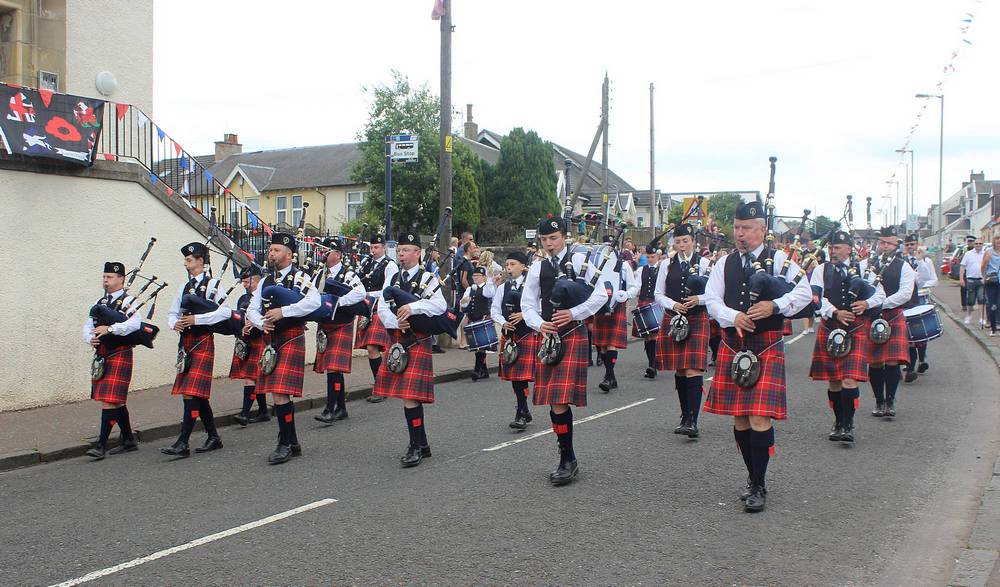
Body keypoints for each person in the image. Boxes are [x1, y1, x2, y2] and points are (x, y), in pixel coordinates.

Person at [703, 201, 811, 512]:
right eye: (737, 227)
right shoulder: (724, 264)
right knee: (740, 417)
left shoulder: (779, 260)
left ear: (762, 230)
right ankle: (752, 477)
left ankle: (760, 484)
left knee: (759, 416)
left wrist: (774, 306)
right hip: (734, 344)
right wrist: (733, 316)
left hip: (765, 343)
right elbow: (712, 299)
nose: (740, 233)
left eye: (747, 228)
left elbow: (803, 293)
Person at [521, 216, 608, 486]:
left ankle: (567, 458)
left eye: (554, 238)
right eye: (545, 240)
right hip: (548, 336)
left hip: (572, 332)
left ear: (564, 237)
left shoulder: (582, 260)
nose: (549, 244)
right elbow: (527, 303)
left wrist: (573, 312)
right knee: (554, 401)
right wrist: (539, 324)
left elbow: (601, 295)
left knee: (559, 398)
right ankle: (567, 456)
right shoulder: (538, 267)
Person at [371, 231, 448, 467]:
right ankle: (422, 443)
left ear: (417, 253)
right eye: (399, 250)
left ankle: (415, 445)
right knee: (409, 397)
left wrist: (413, 308)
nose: (401, 254)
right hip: (398, 339)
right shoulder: (393, 278)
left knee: (410, 398)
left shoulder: (428, 277)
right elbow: (382, 306)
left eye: (406, 250)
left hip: (417, 340)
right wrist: (396, 321)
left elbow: (440, 306)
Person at [246, 232, 321, 464]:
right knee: (277, 392)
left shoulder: (301, 277)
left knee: (280, 392)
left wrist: (283, 312)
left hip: (290, 336)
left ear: (289, 254)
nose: (271, 254)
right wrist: (261, 322)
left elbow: (314, 302)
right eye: (270, 250)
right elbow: (251, 308)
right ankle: (292, 441)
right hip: (271, 338)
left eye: (276, 250)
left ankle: (285, 443)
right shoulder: (266, 281)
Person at [808, 230, 883, 443]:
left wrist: (866, 303)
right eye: (831, 248)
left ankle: (848, 424)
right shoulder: (821, 270)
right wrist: (834, 311)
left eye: (837, 248)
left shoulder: (864, 269)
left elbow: (881, 294)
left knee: (849, 380)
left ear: (849, 249)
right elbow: (815, 297)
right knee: (833, 381)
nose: (833, 251)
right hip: (830, 325)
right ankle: (838, 421)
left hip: (855, 328)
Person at [161, 242, 232, 458]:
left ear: (201, 261)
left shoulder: (213, 285)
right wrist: (175, 324)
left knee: (191, 393)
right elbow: (172, 313)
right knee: (196, 395)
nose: (186, 264)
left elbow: (225, 313)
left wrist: (197, 318)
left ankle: (183, 442)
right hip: (186, 343)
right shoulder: (183, 287)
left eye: (189, 260)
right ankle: (213, 437)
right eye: (185, 260)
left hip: (202, 341)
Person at [654, 223, 712, 438]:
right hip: (674, 317)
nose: (681, 246)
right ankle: (685, 415)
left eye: (685, 241)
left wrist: (699, 299)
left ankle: (693, 420)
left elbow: (715, 294)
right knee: (680, 369)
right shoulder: (666, 265)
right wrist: (673, 304)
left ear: (693, 242)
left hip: (697, 317)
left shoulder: (705, 263)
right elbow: (658, 294)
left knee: (692, 369)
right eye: (677, 242)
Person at [83, 261, 141, 460]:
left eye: (109, 277)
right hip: (102, 354)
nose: (105, 281)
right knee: (115, 401)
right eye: (104, 277)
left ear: (121, 279)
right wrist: (89, 337)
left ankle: (101, 445)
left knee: (109, 400)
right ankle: (128, 440)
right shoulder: (101, 302)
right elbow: (88, 325)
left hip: (119, 352)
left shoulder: (129, 301)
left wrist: (110, 329)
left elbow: (135, 324)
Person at [313, 239, 366, 424]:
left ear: (338, 254)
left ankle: (330, 408)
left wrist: (339, 302)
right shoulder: (319, 273)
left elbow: (360, 292)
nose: (324, 254)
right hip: (325, 325)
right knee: (334, 369)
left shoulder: (347, 274)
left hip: (342, 323)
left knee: (334, 368)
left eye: (327, 251)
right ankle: (341, 408)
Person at [866, 226, 915, 414]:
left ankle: (890, 400)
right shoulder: (867, 264)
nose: (884, 246)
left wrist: (881, 303)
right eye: (881, 242)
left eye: (888, 243)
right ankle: (879, 400)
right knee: (875, 361)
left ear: (896, 245)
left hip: (892, 314)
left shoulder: (904, 266)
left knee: (893, 360)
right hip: (872, 316)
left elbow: (905, 294)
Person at [491, 251, 537, 429]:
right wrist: (503, 322)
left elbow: (540, 308)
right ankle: (524, 410)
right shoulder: (503, 287)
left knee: (521, 378)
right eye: (507, 265)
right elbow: (495, 309)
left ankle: (521, 413)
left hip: (527, 335)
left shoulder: (532, 286)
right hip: (510, 336)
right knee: (515, 379)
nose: (509, 268)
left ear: (524, 266)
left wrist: (525, 315)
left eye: (513, 264)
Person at [353, 234, 398, 403]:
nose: (373, 251)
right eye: (371, 248)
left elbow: (389, 290)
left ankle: (382, 386)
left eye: (376, 247)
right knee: (372, 350)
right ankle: (381, 385)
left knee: (375, 347)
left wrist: (367, 294)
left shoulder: (390, 265)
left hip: (381, 307)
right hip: (366, 308)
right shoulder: (367, 263)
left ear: (384, 247)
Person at [592, 236, 637, 392]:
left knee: (610, 343)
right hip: (600, 305)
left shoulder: (623, 265)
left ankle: (608, 376)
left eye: (610, 247)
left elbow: (634, 287)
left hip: (616, 305)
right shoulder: (597, 265)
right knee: (602, 345)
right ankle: (611, 377)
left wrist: (624, 294)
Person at [230, 265, 269, 426]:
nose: (245, 285)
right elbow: (238, 317)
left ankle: (245, 413)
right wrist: (240, 327)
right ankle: (263, 411)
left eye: (247, 281)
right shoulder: (242, 299)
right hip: (246, 342)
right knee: (254, 378)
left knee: (250, 378)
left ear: (257, 279)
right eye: (243, 282)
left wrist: (256, 324)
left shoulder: (266, 296)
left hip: (260, 339)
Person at [902, 236, 938, 377]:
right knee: (908, 334)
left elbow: (932, 279)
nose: (910, 247)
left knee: (920, 332)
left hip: (920, 299)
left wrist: (920, 261)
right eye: (907, 244)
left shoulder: (926, 261)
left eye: (912, 244)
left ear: (917, 245)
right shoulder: (901, 261)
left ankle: (921, 360)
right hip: (906, 300)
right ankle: (910, 367)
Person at [461, 266, 496, 381]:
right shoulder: (469, 289)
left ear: (484, 277)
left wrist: (490, 279)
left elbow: (489, 294)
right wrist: (464, 302)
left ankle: (477, 370)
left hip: (483, 319)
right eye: (474, 276)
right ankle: (484, 371)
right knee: (477, 346)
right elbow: (463, 305)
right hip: (472, 319)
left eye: (478, 276)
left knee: (480, 347)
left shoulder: (487, 288)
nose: (475, 278)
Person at [633, 244, 662, 379]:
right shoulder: (640, 270)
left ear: (658, 257)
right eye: (648, 257)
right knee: (647, 335)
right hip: (644, 302)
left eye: (653, 257)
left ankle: (653, 364)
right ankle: (651, 363)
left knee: (655, 335)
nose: (650, 259)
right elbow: (637, 286)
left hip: (657, 303)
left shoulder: (663, 269)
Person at [960, 238, 987, 326]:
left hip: (981, 280)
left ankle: (981, 318)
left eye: (980, 243)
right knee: (970, 300)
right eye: (976, 243)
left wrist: (986, 277)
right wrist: (961, 279)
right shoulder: (968, 254)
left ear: (982, 244)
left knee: (981, 299)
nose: (978, 245)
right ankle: (969, 315)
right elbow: (962, 266)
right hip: (971, 280)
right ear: (974, 244)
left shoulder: (985, 254)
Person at [980, 235, 1000, 336]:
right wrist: (984, 276)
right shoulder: (989, 252)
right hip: (992, 280)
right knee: (993, 304)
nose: (999, 242)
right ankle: (993, 327)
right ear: (994, 242)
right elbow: (983, 266)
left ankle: (998, 324)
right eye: (997, 240)